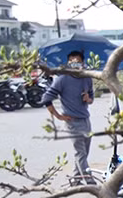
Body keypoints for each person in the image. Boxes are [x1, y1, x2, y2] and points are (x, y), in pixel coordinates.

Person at [41, 51, 95, 186]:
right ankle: (90, 181)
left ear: (82, 63)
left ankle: (75, 179)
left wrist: (88, 99)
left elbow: (92, 98)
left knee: (84, 153)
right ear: (68, 63)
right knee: (80, 153)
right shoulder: (62, 79)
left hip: (86, 120)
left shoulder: (87, 78)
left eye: (77, 61)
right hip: (72, 121)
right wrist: (59, 116)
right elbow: (46, 99)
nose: (74, 63)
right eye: (71, 61)